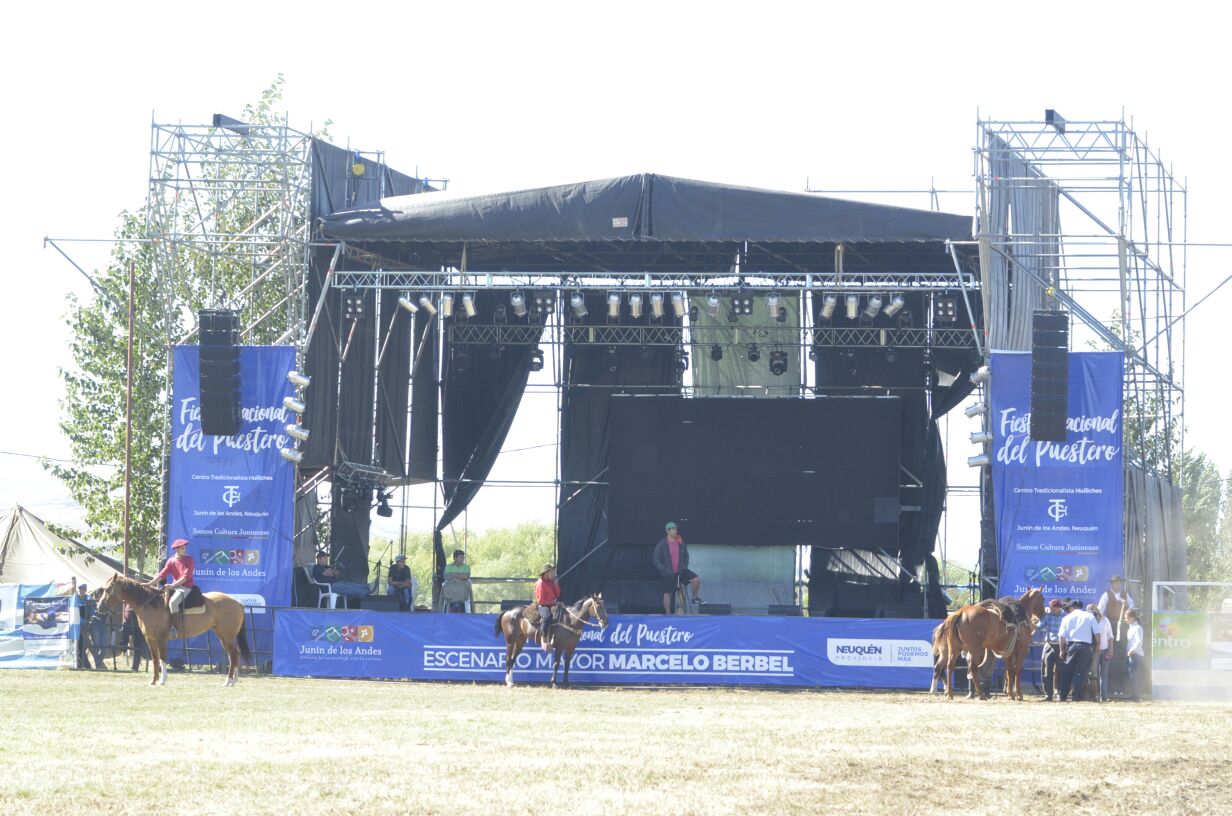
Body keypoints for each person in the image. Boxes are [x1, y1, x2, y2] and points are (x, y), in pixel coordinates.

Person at [146, 538, 197, 636]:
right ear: (176, 549)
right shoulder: (171, 561)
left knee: (173, 603)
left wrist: (172, 585)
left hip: (185, 587)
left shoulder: (189, 560)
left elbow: (186, 577)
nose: (185, 549)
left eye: (184, 547)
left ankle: (174, 628)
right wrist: (149, 584)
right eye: (182, 548)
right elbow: (161, 575)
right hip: (175, 587)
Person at [653, 522, 702, 615]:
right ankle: (668, 614)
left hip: (680, 570)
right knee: (668, 593)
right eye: (673, 529)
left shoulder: (680, 542)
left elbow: (686, 556)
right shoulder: (662, 544)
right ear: (667, 531)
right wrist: (665, 570)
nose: (675, 531)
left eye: (676, 529)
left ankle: (694, 597)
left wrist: (684, 566)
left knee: (696, 579)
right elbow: (656, 560)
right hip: (669, 572)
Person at [1098, 575, 1135, 695]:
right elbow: (1100, 610)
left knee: (1121, 656)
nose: (1118, 585)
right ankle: (1109, 687)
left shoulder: (1125, 595)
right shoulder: (1106, 595)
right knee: (1110, 656)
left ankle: (1121, 687)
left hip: (1122, 627)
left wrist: (1126, 604)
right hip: (1111, 626)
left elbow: (1132, 607)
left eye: (1119, 583)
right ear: (1112, 584)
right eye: (1116, 583)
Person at [1057, 599, 1099, 701]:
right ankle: (1076, 696)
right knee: (1081, 673)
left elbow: (1061, 636)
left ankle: (1063, 695)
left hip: (1072, 646)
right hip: (1086, 647)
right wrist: (1098, 645)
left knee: (1067, 672)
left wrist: (1062, 650)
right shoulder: (1090, 616)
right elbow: (1097, 633)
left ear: (1071, 607)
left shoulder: (1066, 618)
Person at [1037, 598, 1065, 700]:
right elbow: (1039, 626)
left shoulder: (1065, 617)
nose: (1051, 611)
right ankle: (1048, 695)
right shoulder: (1047, 616)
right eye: (1050, 608)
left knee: (1062, 671)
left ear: (1059, 608)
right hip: (1049, 645)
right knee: (1046, 670)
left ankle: (1061, 694)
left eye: (1053, 609)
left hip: (1062, 646)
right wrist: (1032, 624)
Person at [1088, 603, 1115, 702]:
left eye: (1094, 610)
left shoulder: (1105, 620)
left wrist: (1110, 650)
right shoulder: (1088, 621)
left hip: (1105, 650)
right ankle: (1094, 696)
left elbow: (1110, 636)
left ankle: (1104, 696)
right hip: (1093, 651)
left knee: (1104, 675)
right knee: (1094, 675)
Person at [534, 564, 562, 651]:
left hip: (551, 604)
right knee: (547, 617)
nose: (554, 574)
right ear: (546, 573)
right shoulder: (540, 584)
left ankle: (554, 638)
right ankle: (543, 640)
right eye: (552, 572)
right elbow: (541, 601)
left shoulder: (551, 582)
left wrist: (556, 585)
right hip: (543, 605)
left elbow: (557, 595)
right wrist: (554, 603)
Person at [75, 583, 99, 669]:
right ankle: (84, 665)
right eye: (79, 589)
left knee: (84, 645)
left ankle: (85, 664)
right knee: (79, 646)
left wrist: (89, 621)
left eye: (82, 589)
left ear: (85, 590)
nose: (80, 591)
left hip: (86, 626)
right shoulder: (75, 599)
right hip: (77, 626)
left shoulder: (88, 598)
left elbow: (93, 610)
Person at [119, 602, 147, 672]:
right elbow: (125, 611)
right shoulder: (128, 602)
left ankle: (135, 666)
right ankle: (124, 646)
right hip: (130, 622)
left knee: (138, 645)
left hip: (138, 624)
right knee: (127, 637)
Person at [1125, 608, 1146, 700]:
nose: (1126, 620)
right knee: (1131, 674)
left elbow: (1138, 641)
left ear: (1133, 617)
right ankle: (1134, 694)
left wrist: (1132, 650)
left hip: (1135, 654)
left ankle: (1135, 695)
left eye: (1127, 618)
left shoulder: (1137, 628)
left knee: (1133, 675)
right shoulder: (1132, 627)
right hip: (1131, 654)